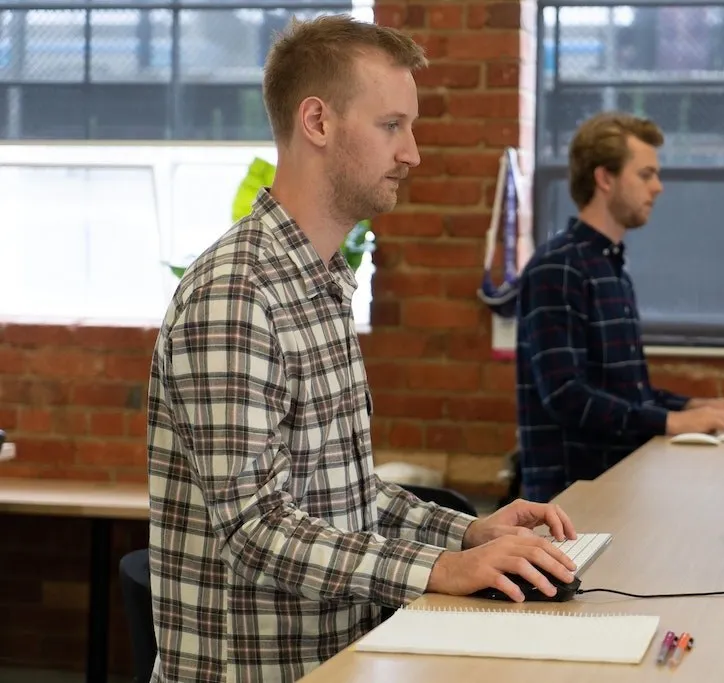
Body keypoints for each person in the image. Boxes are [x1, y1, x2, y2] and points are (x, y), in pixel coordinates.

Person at [146, 15, 578, 683]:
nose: (413, 151)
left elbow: (343, 495)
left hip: (344, 658)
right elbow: (258, 530)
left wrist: (468, 534)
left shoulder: (317, 283)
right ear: (316, 122)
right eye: (391, 125)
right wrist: (437, 568)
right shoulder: (237, 294)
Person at [515, 112, 724, 503]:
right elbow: (566, 395)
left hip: (620, 485)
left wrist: (695, 406)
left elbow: (626, 392)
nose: (658, 187)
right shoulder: (558, 267)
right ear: (605, 178)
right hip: (573, 503)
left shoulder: (611, 267)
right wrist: (672, 421)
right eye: (646, 175)